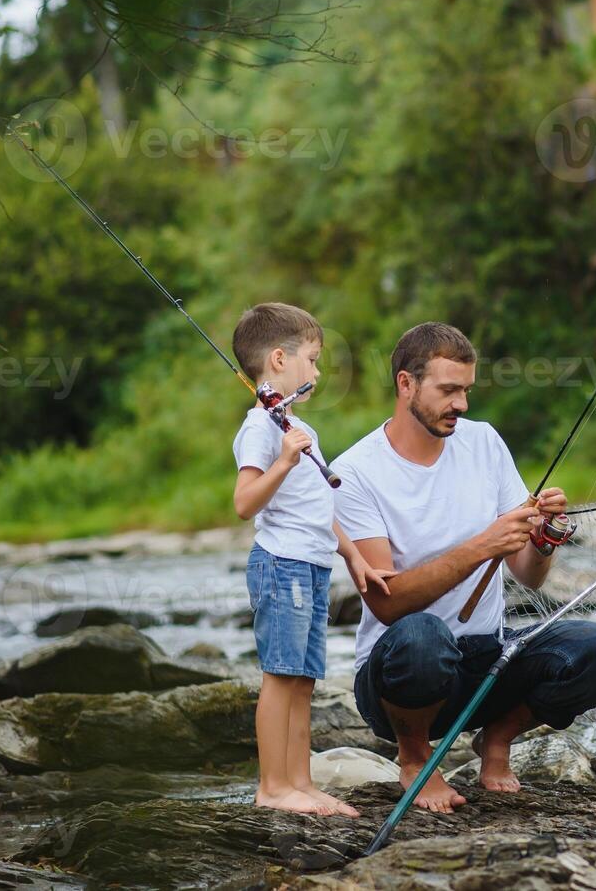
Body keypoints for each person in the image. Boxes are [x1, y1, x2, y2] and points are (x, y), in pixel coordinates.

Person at [333, 322, 596, 814]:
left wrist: (545, 536)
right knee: (423, 636)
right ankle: (415, 759)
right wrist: (479, 546)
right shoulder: (358, 471)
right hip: (398, 678)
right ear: (406, 384)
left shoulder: (484, 442)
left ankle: (496, 738)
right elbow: (387, 604)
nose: (462, 405)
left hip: (486, 660)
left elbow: (529, 575)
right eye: (448, 390)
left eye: (467, 391)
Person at [231, 302, 394, 817]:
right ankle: (272, 786)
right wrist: (283, 459)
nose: (319, 371)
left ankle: (301, 782)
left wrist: (354, 559)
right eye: (314, 359)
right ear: (279, 359)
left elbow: (321, 507)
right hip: (281, 565)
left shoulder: (296, 426)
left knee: (304, 679)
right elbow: (244, 502)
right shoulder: (261, 428)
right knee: (280, 675)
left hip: (313, 566)